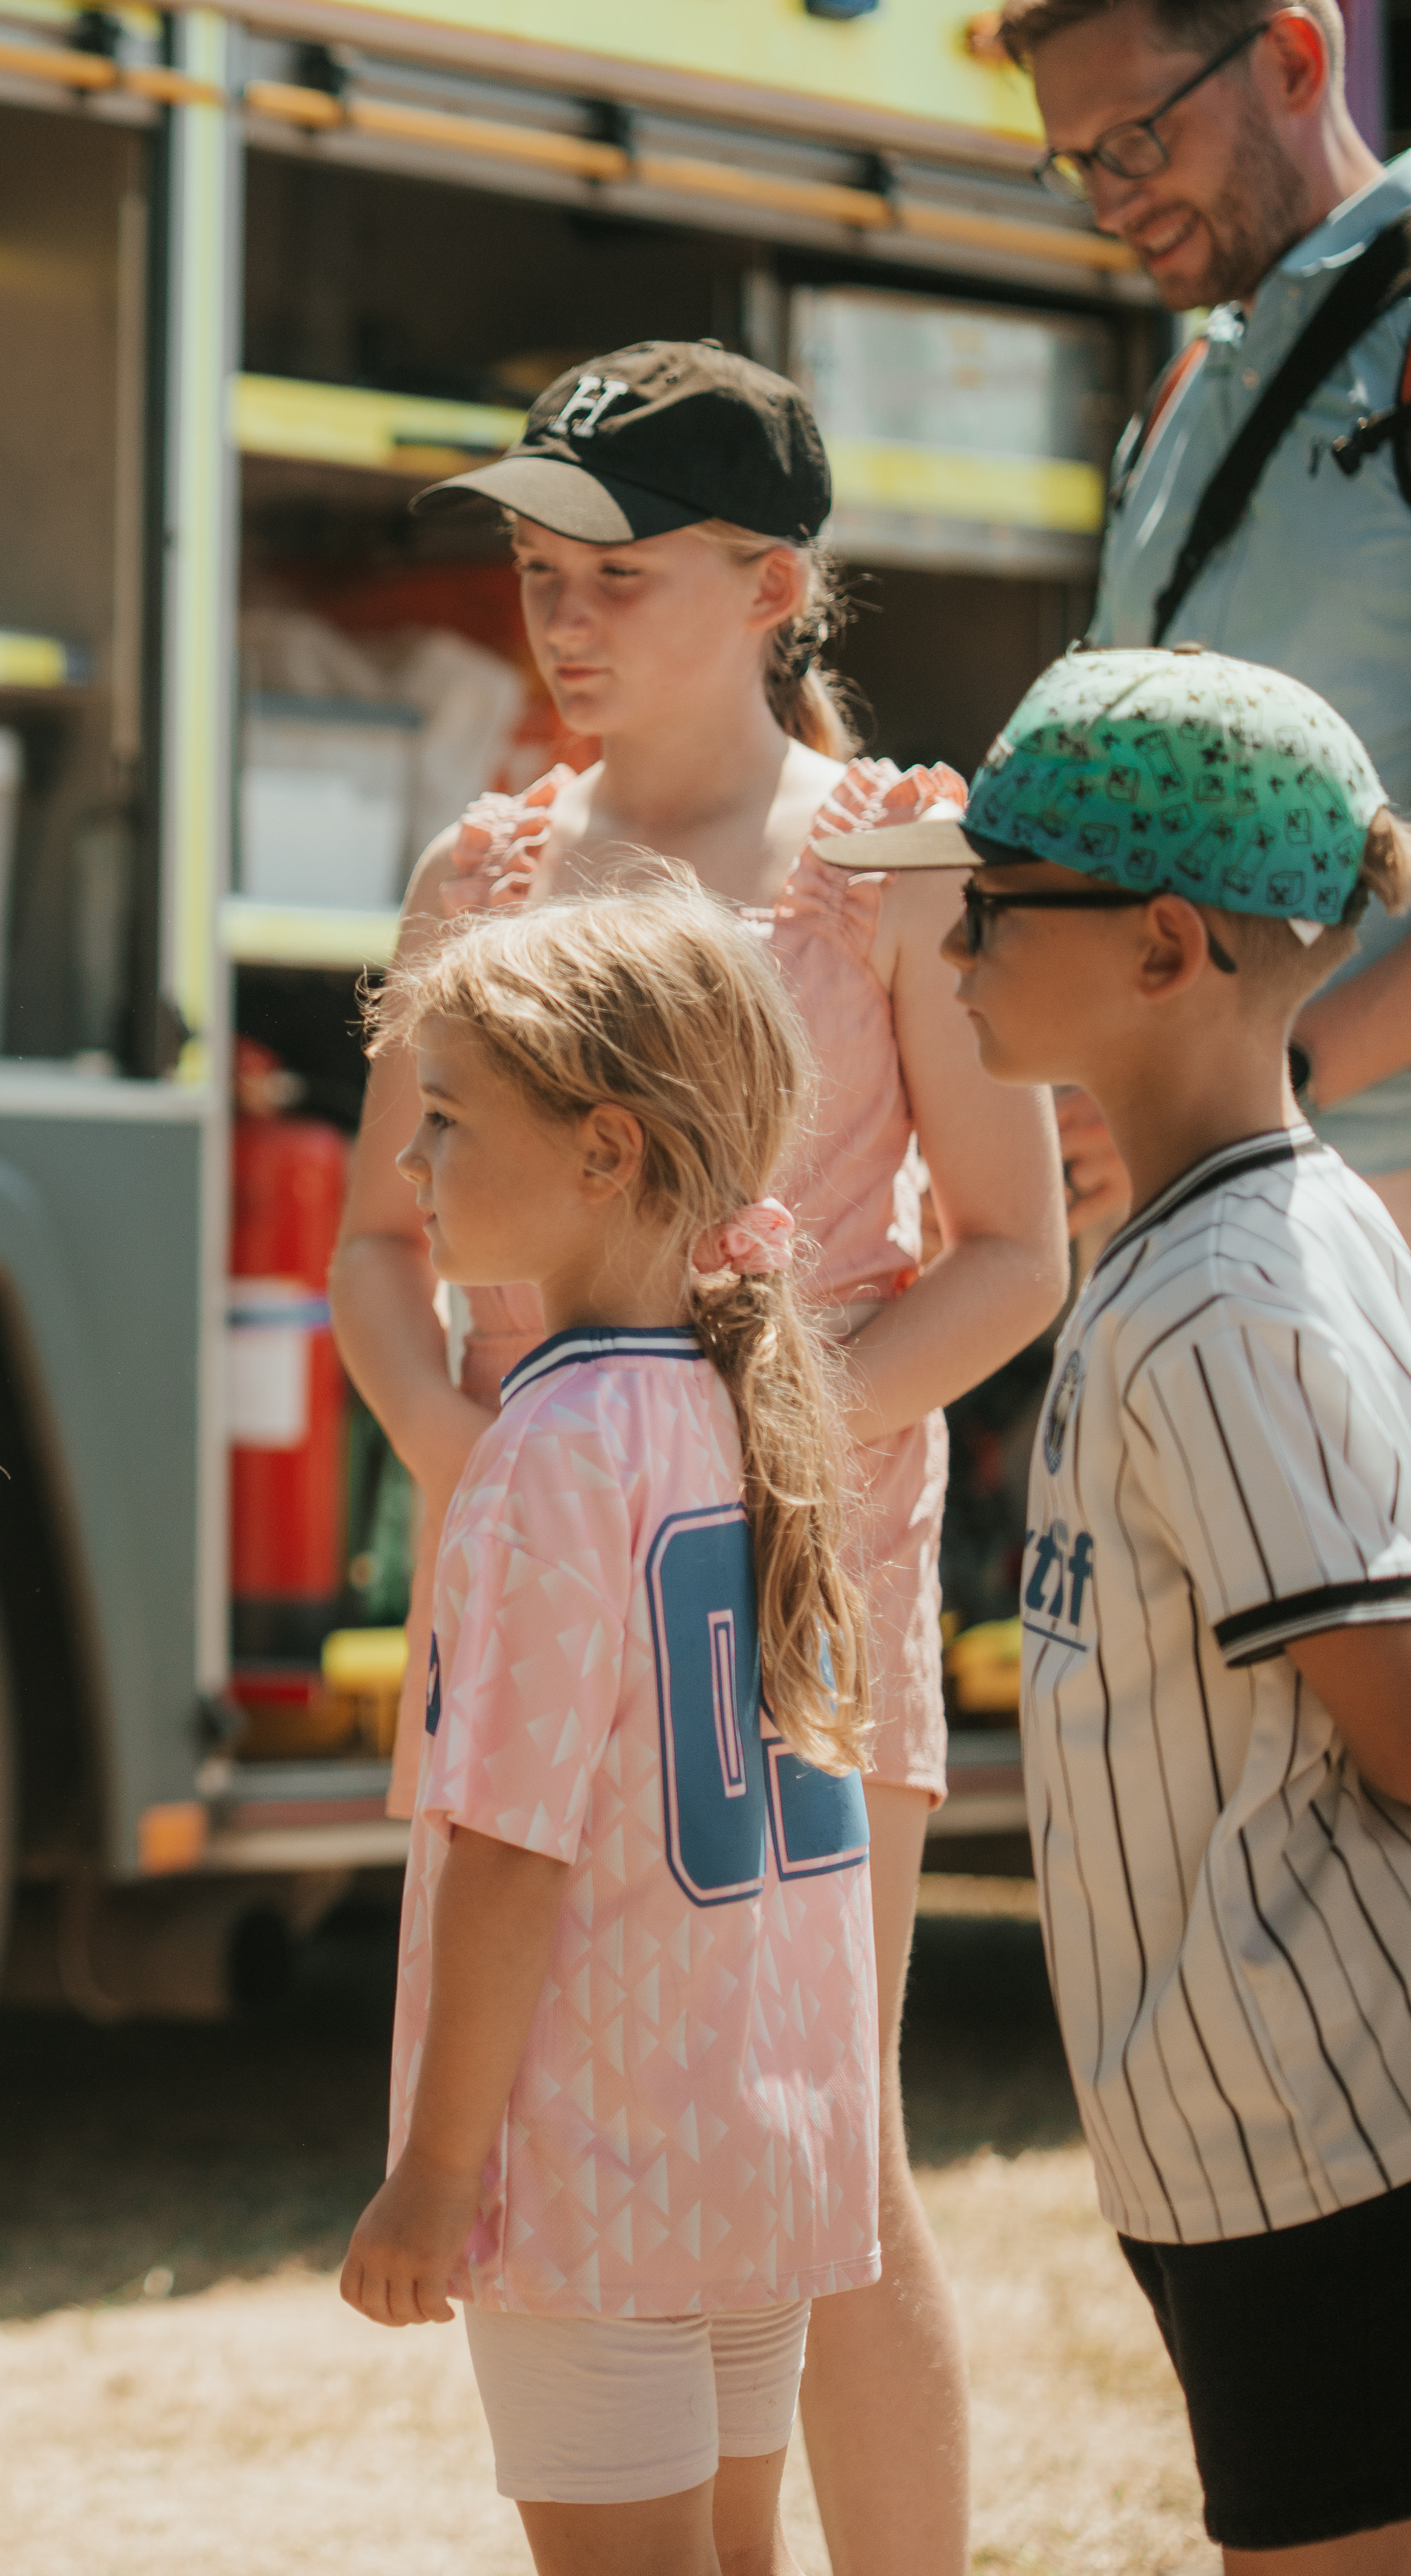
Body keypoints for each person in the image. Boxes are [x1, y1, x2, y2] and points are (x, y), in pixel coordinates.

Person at [330, 340, 1068, 2576]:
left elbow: (1012, 1254)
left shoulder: (893, 865)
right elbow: (378, 1240)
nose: (558, 619)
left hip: (803, 1593)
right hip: (542, 1567)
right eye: (538, 569)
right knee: (566, 2089)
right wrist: (474, 1451)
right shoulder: (485, 864)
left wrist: (723, 1453)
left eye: (618, 576)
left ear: (771, 584)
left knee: (821, 2139)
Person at [876, 646, 1411, 2571]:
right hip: (1242, 2127)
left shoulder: (1226, 1303)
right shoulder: (1225, 1229)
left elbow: (1408, 1725)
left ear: (1162, 947)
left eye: (991, 905)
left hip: (1326, 2130)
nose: (949, 949)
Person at [341, 884, 884, 2576]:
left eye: (446, 1120)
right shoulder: (740, 1399)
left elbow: (510, 1846)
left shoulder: (550, 1447)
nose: (413, 1165)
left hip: (597, 2165)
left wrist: (435, 2172)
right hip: (757, 2146)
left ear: (605, 1152)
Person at [1000, 0, 1411, 1257]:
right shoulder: (1192, 378)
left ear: (1295, 60)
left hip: (1396, 1209)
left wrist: (1270, 1080)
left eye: (1135, 143)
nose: (1109, 200)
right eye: (1075, 163)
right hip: (1188, 1201)